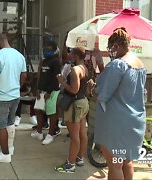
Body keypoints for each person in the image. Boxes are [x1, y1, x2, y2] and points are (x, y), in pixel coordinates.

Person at [94, 27, 146, 180]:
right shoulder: (140, 64)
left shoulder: (118, 64)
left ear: (115, 46)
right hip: (134, 122)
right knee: (126, 162)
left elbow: (102, 93)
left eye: (110, 49)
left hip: (117, 124)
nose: (110, 52)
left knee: (115, 165)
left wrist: (92, 89)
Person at [0, 33, 27, 163]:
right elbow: (24, 75)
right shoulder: (19, 55)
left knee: (0, 126)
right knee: (10, 122)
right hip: (15, 96)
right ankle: (10, 148)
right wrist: (17, 86)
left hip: (1, 97)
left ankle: (5, 154)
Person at [54, 46, 90, 173]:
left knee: (75, 136)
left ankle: (70, 164)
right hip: (83, 102)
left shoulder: (75, 70)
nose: (69, 55)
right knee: (82, 133)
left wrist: (62, 81)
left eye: (71, 53)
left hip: (74, 104)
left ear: (75, 55)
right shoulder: (85, 68)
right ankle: (79, 158)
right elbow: (85, 88)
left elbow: (74, 89)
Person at [31, 40, 61, 145]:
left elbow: (56, 78)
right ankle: (39, 132)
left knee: (51, 113)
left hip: (52, 91)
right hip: (41, 90)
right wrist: (38, 89)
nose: (46, 51)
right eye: (45, 49)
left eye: (48, 49)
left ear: (53, 51)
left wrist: (49, 91)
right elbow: (40, 76)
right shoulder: (43, 61)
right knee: (38, 110)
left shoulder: (56, 61)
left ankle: (50, 135)